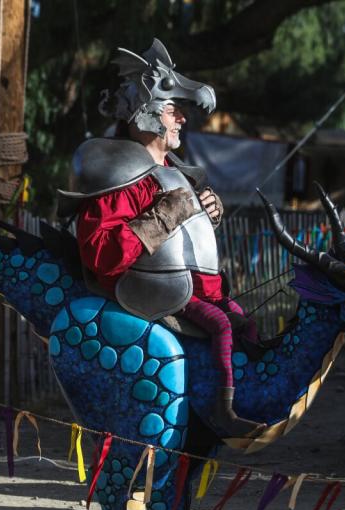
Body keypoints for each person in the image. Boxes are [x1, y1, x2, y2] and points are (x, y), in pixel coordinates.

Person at [63, 39, 263, 437]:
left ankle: (250, 398)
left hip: (202, 288)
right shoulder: (118, 173)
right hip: (155, 292)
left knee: (244, 325)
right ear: (148, 113)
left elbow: (186, 238)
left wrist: (207, 213)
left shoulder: (177, 171)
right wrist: (162, 217)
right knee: (222, 326)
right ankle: (221, 414)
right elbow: (100, 254)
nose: (182, 120)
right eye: (175, 111)